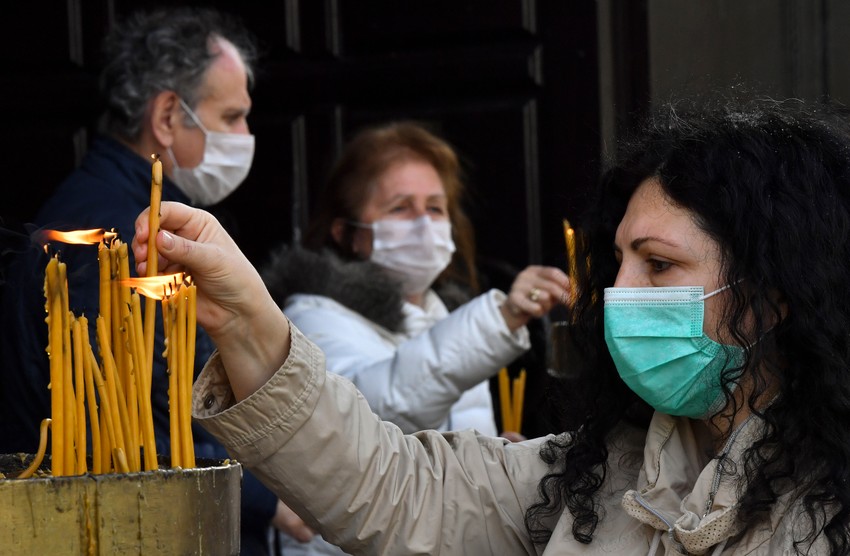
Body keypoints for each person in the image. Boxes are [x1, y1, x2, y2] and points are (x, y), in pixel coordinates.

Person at [133, 97, 850, 555]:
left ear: (769, 295)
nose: (617, 295)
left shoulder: (829, 502)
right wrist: (246, 319)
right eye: (619, 262)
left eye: (658, 266)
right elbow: (388, 486)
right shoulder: (588, 479)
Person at [0, 8, 277, 555]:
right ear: (169, 115)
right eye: (233, 117)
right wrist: (272, 498)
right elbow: (134, 425)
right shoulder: (111, 235)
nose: (247, 136)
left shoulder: (138, 213)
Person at [261, 123, 567, 554]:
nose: (424, 225)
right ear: (345, 231)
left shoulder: (444, 315)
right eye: (400, 208)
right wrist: (502, 317)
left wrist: (502, 463)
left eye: (436, 208)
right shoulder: (311, 318)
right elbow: (369, 422)